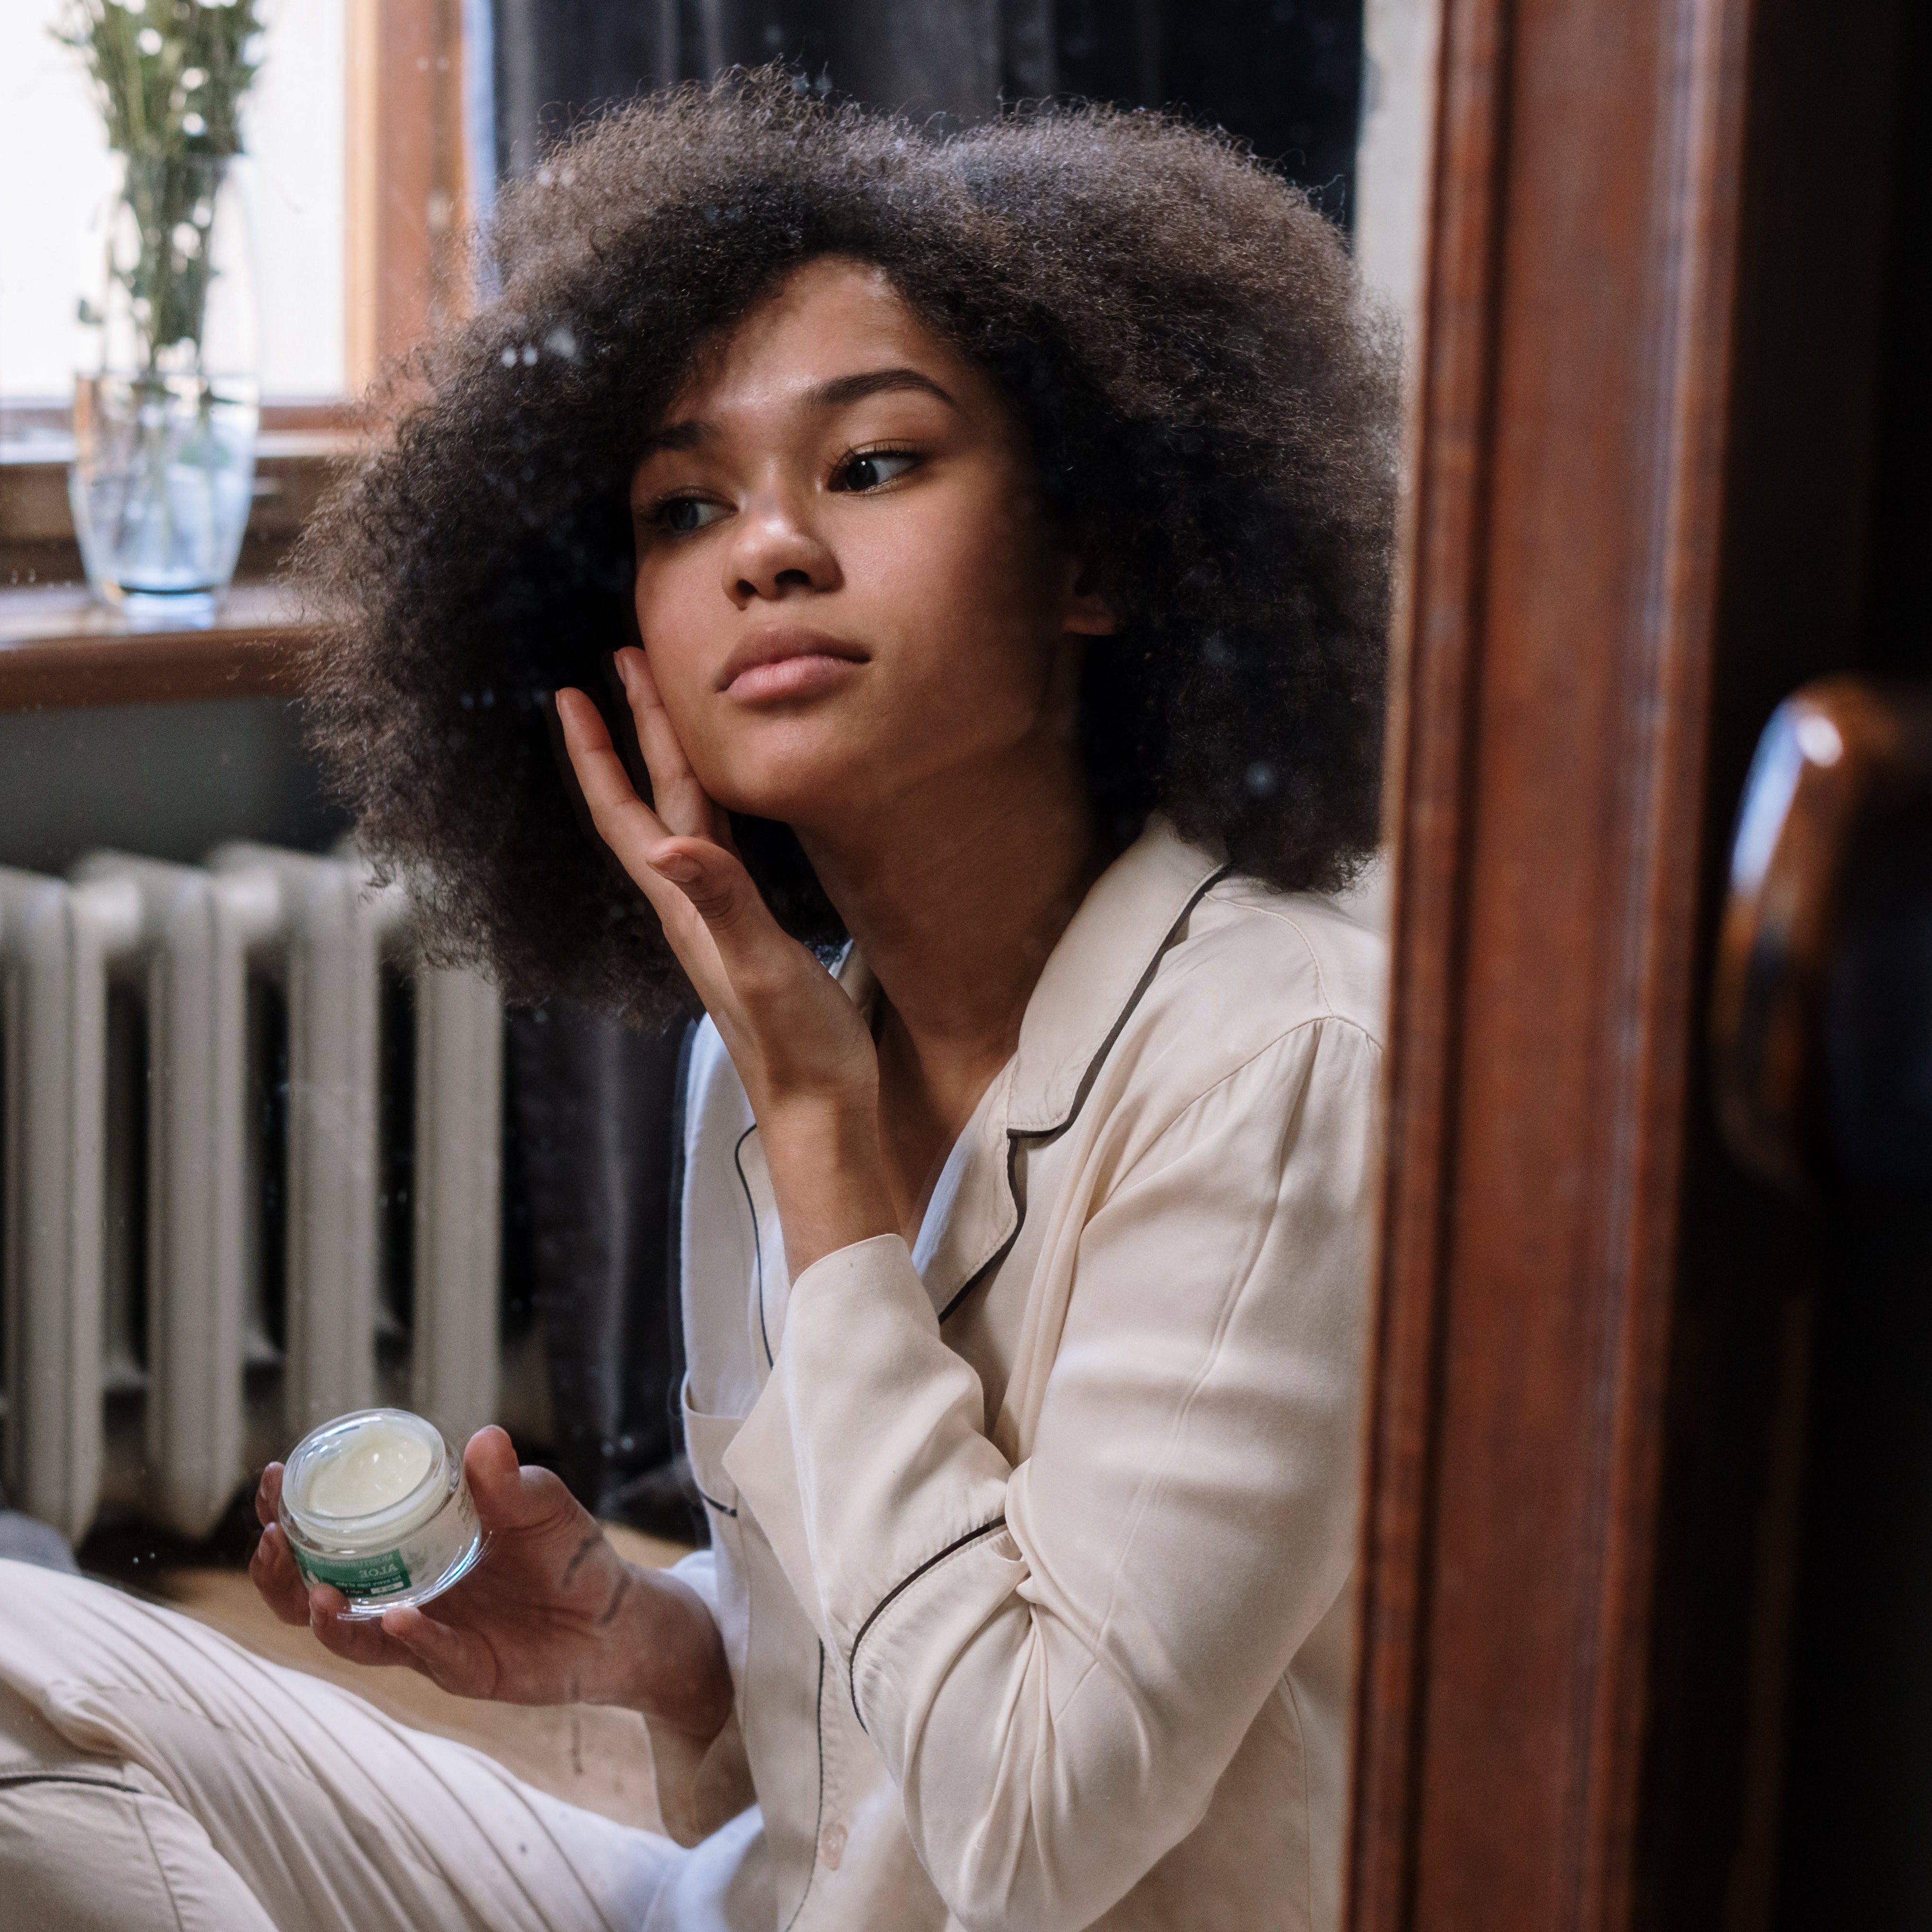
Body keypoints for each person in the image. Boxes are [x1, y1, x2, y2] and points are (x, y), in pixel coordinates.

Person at [0, 73, 1393, 1932]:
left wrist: (825, 1157)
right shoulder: (785, 1035)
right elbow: (844, 1769)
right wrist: (643, 1649)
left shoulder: (1280, 1054)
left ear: (1101, 554)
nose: (769, 550)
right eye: (683, 504)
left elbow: (1033, 1827)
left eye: (874, 464)